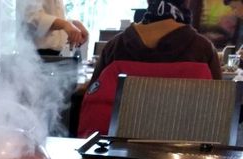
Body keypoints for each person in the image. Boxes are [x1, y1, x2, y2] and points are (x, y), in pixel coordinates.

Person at [78, 0, 222, 137]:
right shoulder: (203, 49)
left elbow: (92, 104)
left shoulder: (115, 46)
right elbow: (219, 113)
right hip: (186, 154)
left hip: (115, 152)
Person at [23, 0, 89, 56]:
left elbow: (55, 20)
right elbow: (32, 18)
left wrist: (73, 24)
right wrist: (65, 24)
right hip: (34, 57)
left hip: (53, 56)